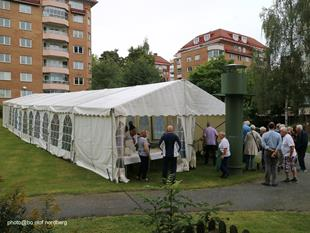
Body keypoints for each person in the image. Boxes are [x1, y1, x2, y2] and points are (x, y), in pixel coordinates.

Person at [261, 122, 282, 187]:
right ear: (275, 127)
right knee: (274, 166)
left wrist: (268, 148)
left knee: (268, 166)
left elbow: (263, 143)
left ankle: (267, 181)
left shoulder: (265, 134)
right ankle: (274, 182)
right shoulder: (278, 135)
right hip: (275, 150)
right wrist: (275, 151)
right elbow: (280, 144)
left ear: (268, 127)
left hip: (268, 151)